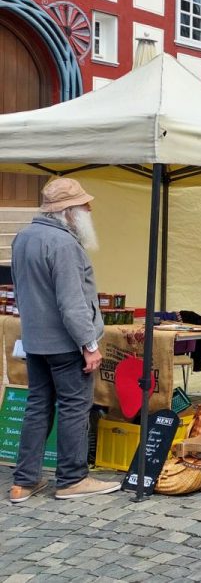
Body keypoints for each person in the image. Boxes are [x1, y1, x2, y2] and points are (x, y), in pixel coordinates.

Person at [9, 178, 119, 501]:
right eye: (84, 205)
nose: (89, 209)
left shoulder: (23, 238)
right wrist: (90, 345)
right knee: (74, 406)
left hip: (35, 341)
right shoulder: (64, 244)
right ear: (68, 212)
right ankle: (72, 478)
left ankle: (23, 482)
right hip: (67, 343)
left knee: (38, 407)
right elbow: (71, 304)